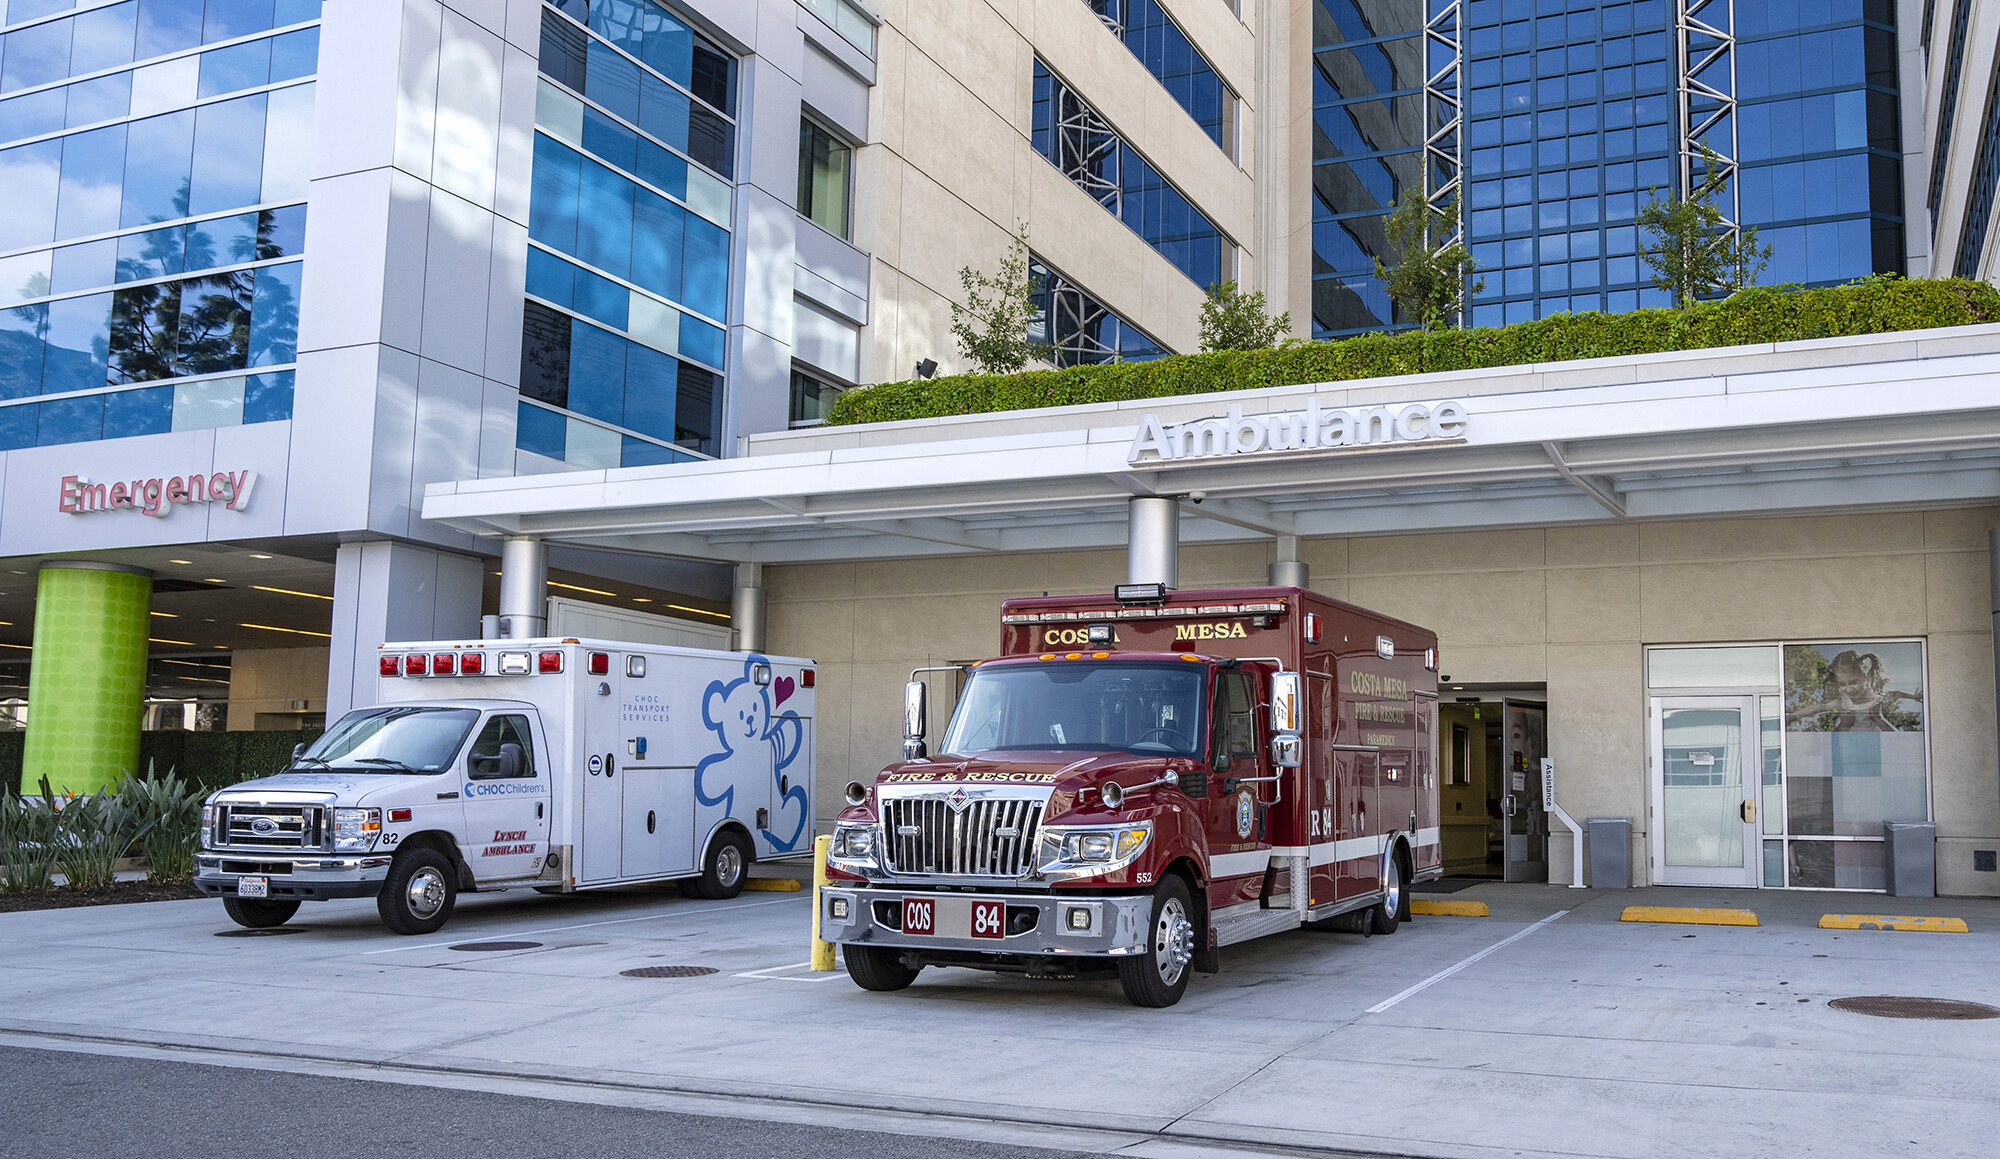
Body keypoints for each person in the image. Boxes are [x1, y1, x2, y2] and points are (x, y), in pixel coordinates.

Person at [1786, 650, 1922, 732]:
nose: (1848, 689)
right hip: (1849, 736)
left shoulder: (1876, 694)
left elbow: (1895, 693)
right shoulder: (1844, 701)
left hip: (1873, 735)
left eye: (1853, 682)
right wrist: (1793, 716)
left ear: (1866, 677)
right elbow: (1818, 708)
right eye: (1842, 684)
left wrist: (1913, 697)